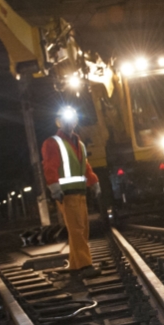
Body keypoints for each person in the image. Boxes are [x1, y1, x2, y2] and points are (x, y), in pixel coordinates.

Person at [41, 106, 101, 279]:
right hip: (66, 194)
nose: (70, 123)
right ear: (60, 122)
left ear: (75, 121)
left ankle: (75, 264)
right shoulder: (53, 142)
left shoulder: (80, 144)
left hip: (80, 193)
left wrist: (94, 182)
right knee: (77, 230)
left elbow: (85, 167)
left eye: (72, 119)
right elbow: (49, 167)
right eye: (66, 120)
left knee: (82, 229)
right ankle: (85, 265)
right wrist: (54, 187)